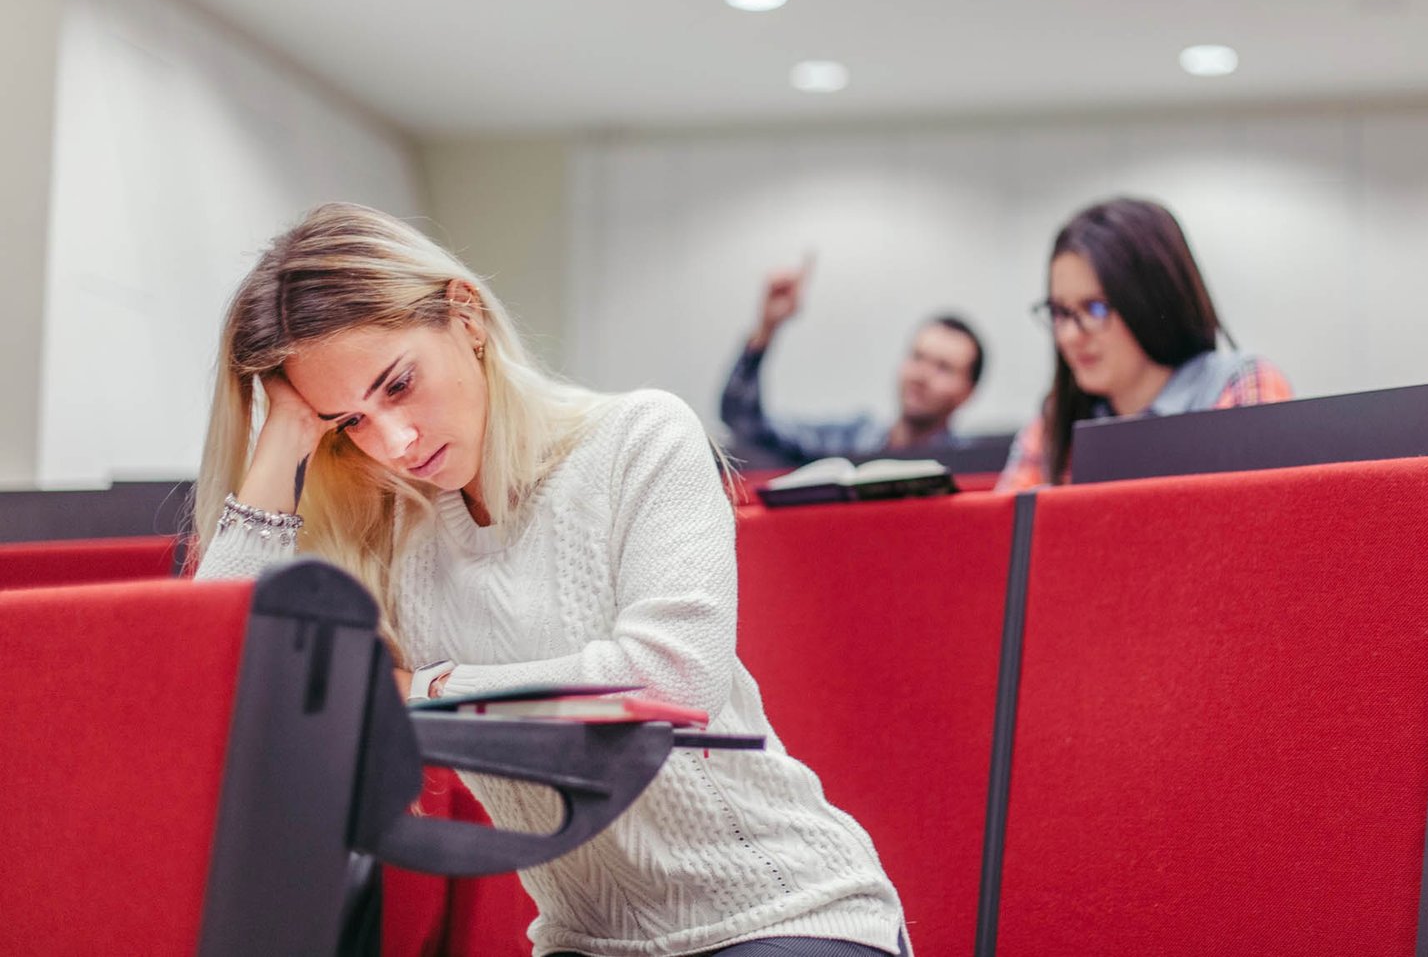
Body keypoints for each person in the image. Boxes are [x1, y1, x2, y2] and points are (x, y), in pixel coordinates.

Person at [191, 203, 911, 957]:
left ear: (464, 315)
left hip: (780, 908)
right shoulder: (388, 527)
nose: (393, 442)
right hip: (588, 938)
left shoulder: (639, 438)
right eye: (349, 421)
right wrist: (282, 438)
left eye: (398, 385)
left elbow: (669, 683)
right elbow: (211, 684)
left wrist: (427, 687)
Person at [997, 197, 1292, 490]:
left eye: (1096, 308)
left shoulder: (1240, 383)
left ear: (1150, 301)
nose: (1070, 336)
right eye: (1061, 312)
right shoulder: (1057, 418)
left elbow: (1257, 522)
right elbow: (1006, 531)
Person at [720, 260, 984, 467]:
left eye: (943, 368)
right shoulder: (849, 441)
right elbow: (743, 422)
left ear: (967, 393)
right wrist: (767, 329)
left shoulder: (972, 465)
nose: (921, 375)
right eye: (917, 357)